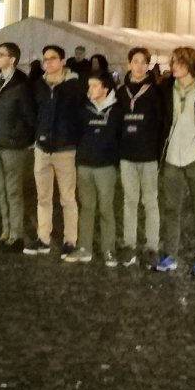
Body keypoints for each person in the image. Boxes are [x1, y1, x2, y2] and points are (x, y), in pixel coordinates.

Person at [155, 47, 195, 276]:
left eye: (179, 62)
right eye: (172, 62)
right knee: (172, 209)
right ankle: (170, 254)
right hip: (171, 156)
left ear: (191, 65)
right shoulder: (164, 89)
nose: (173, 66)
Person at [31, 43, 85, 257]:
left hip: (65, 148)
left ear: (63, 61)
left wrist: (73, 138)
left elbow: (80, 116)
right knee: (43, 197)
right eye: (45, 59)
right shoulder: (39, 85)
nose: (48, 62)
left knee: (67, 198)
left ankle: (70, 239)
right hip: (42, 148)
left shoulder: (75, 86)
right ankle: (43, 237)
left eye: (53, 58)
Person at [116, 47, 167, 268]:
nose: (138, 66)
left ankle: (152, 246)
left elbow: (161, 123)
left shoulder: (156, 91)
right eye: (135, 61)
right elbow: (117, 122)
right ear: (129, 64)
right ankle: (129, 244)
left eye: (143, 62)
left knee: (150, 201)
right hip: (127, 153)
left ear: (148, 66)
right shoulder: (121, 91)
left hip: (148, 155)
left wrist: (158, 152)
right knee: (129, 201)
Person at [0, 41, 37, 254]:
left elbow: (29, 116)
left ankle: (16, 235)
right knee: (1, 190)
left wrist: (22, 138)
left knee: (14, 192)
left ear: (12, 60)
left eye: (1, 54)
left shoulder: (21, 84)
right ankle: (6, 231)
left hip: (13, 145)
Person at [73, 72, 123, 264]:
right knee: (86, 207)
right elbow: (77, 132)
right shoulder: (83, 109)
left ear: (105, 88)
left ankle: (108, 249)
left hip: (105, 166)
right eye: (89, 85)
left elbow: (120, 136)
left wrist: (113, 158)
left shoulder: (117, 110)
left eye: (94, 85)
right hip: (85, 164)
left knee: (106, 209)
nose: (90, 89)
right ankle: (84, 247)